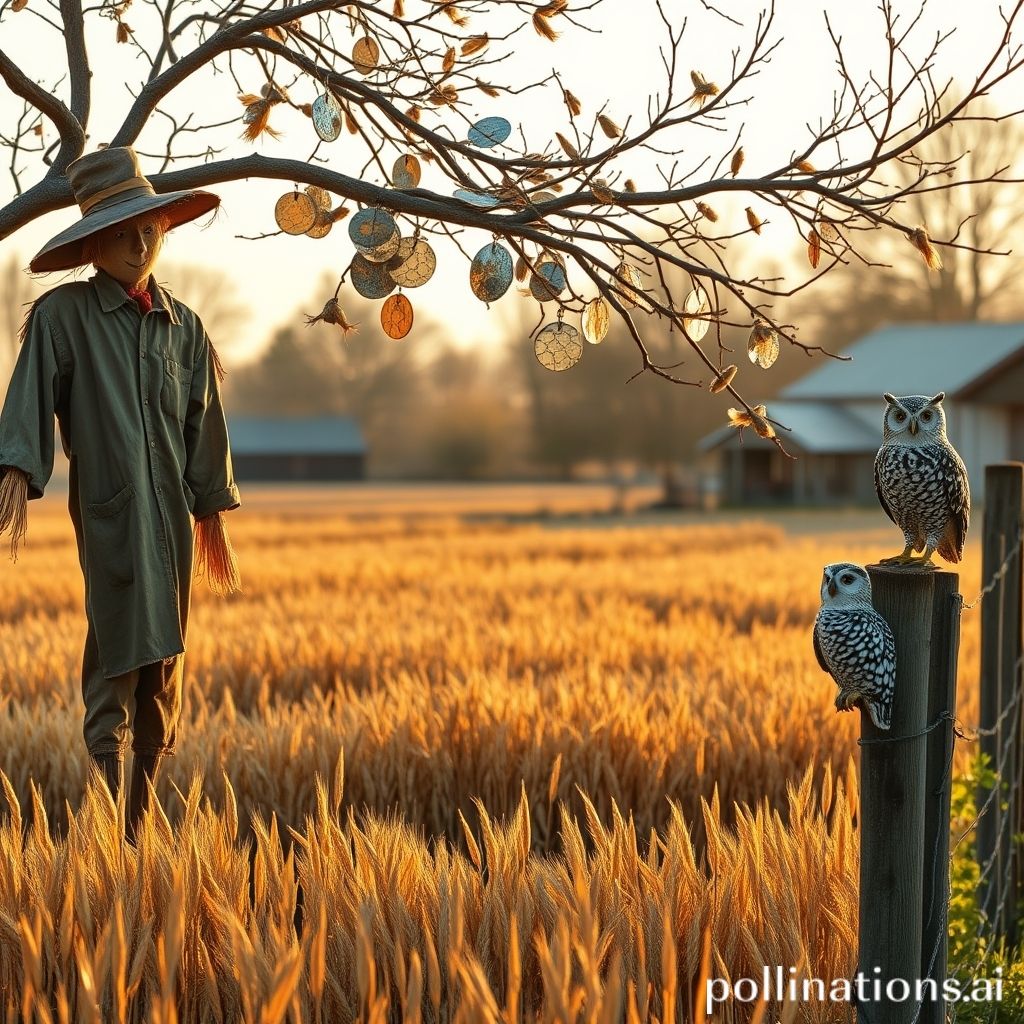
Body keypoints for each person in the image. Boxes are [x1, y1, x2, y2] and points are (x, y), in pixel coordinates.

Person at [0, 146, 241, 844]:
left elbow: (205, 421)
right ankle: (109, 824)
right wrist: (16, 469)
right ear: (91, 243)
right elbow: (28, 399)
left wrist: (210, 506)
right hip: (109, 510)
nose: (140, 243)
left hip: (169, 515)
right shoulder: (63, 317)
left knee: (164, 660)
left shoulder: (183, 324)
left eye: (150, 228)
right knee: (115, 650)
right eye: (122, 233)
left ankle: (140, 823)